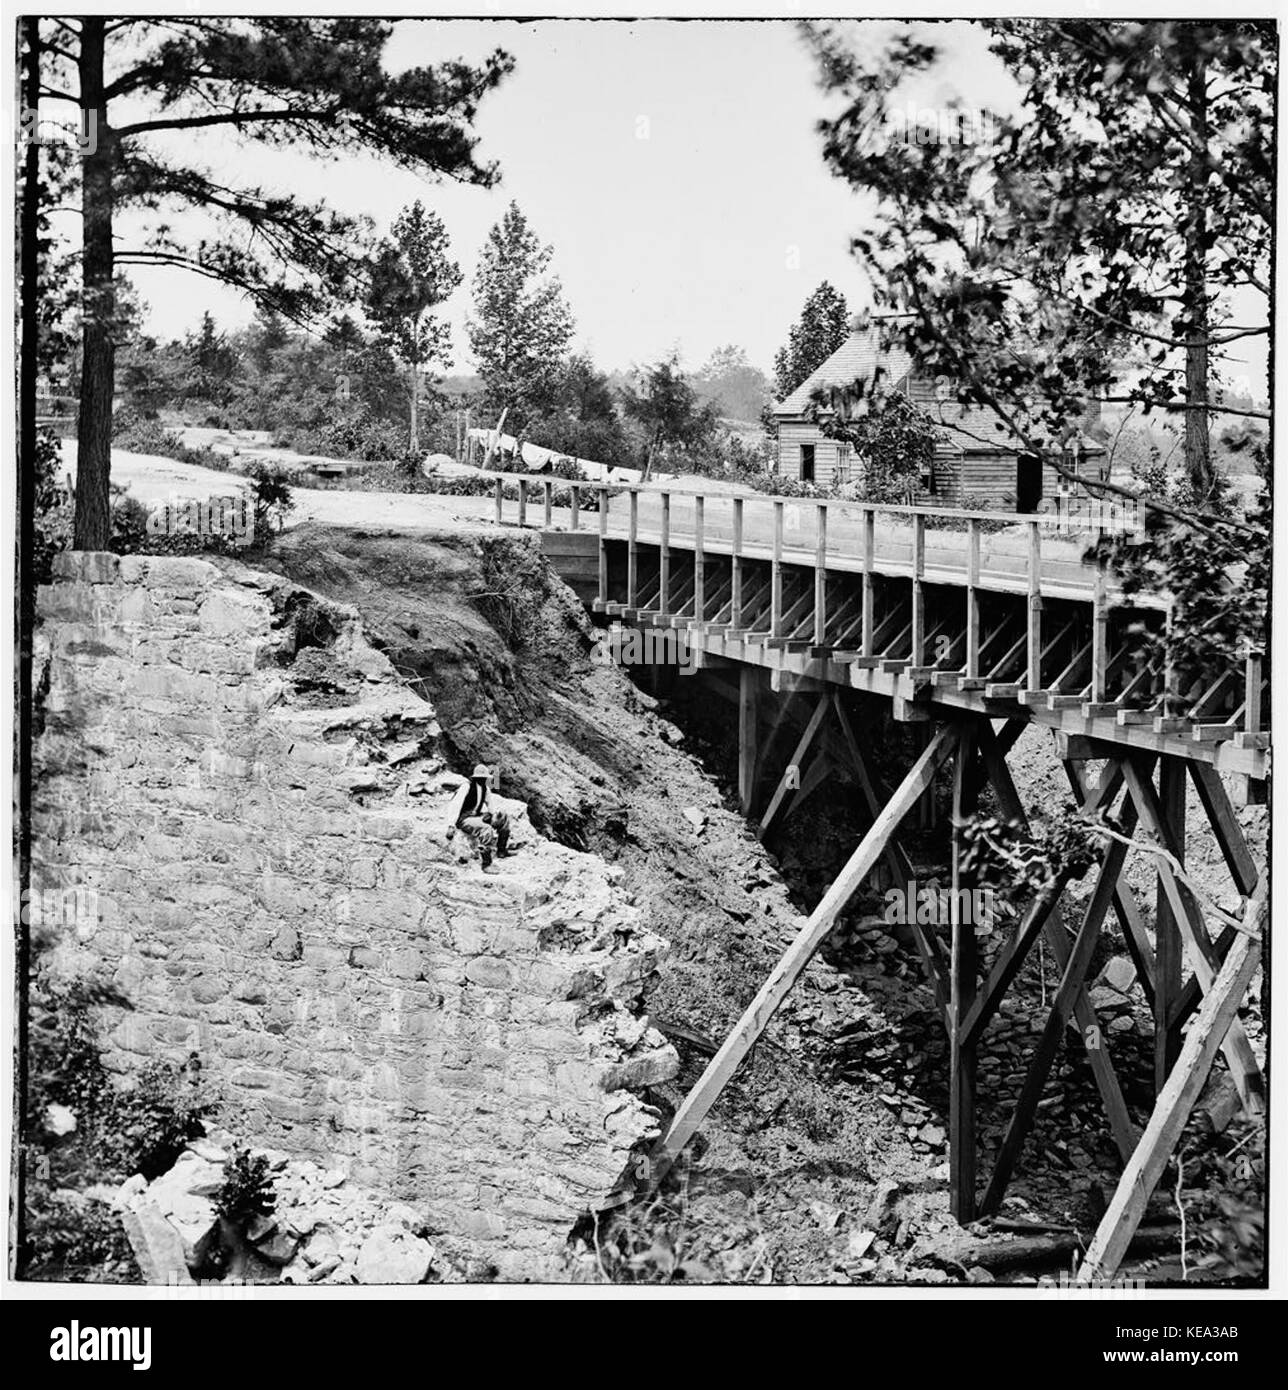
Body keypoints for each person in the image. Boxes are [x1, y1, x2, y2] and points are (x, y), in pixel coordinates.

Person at [454, 764, 513, 871]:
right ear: (476, 778)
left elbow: (490, 805)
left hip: (476, 815)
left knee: (503, 816)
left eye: (485, 778)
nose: (483, 780)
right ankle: (486, 863)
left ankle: (501, 850)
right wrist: (450, 824)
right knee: (486, 829)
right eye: (481, 778)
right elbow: (455, 805)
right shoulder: (466, 787)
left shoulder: (485, 789)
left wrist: (494, 815)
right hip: (464, 819)